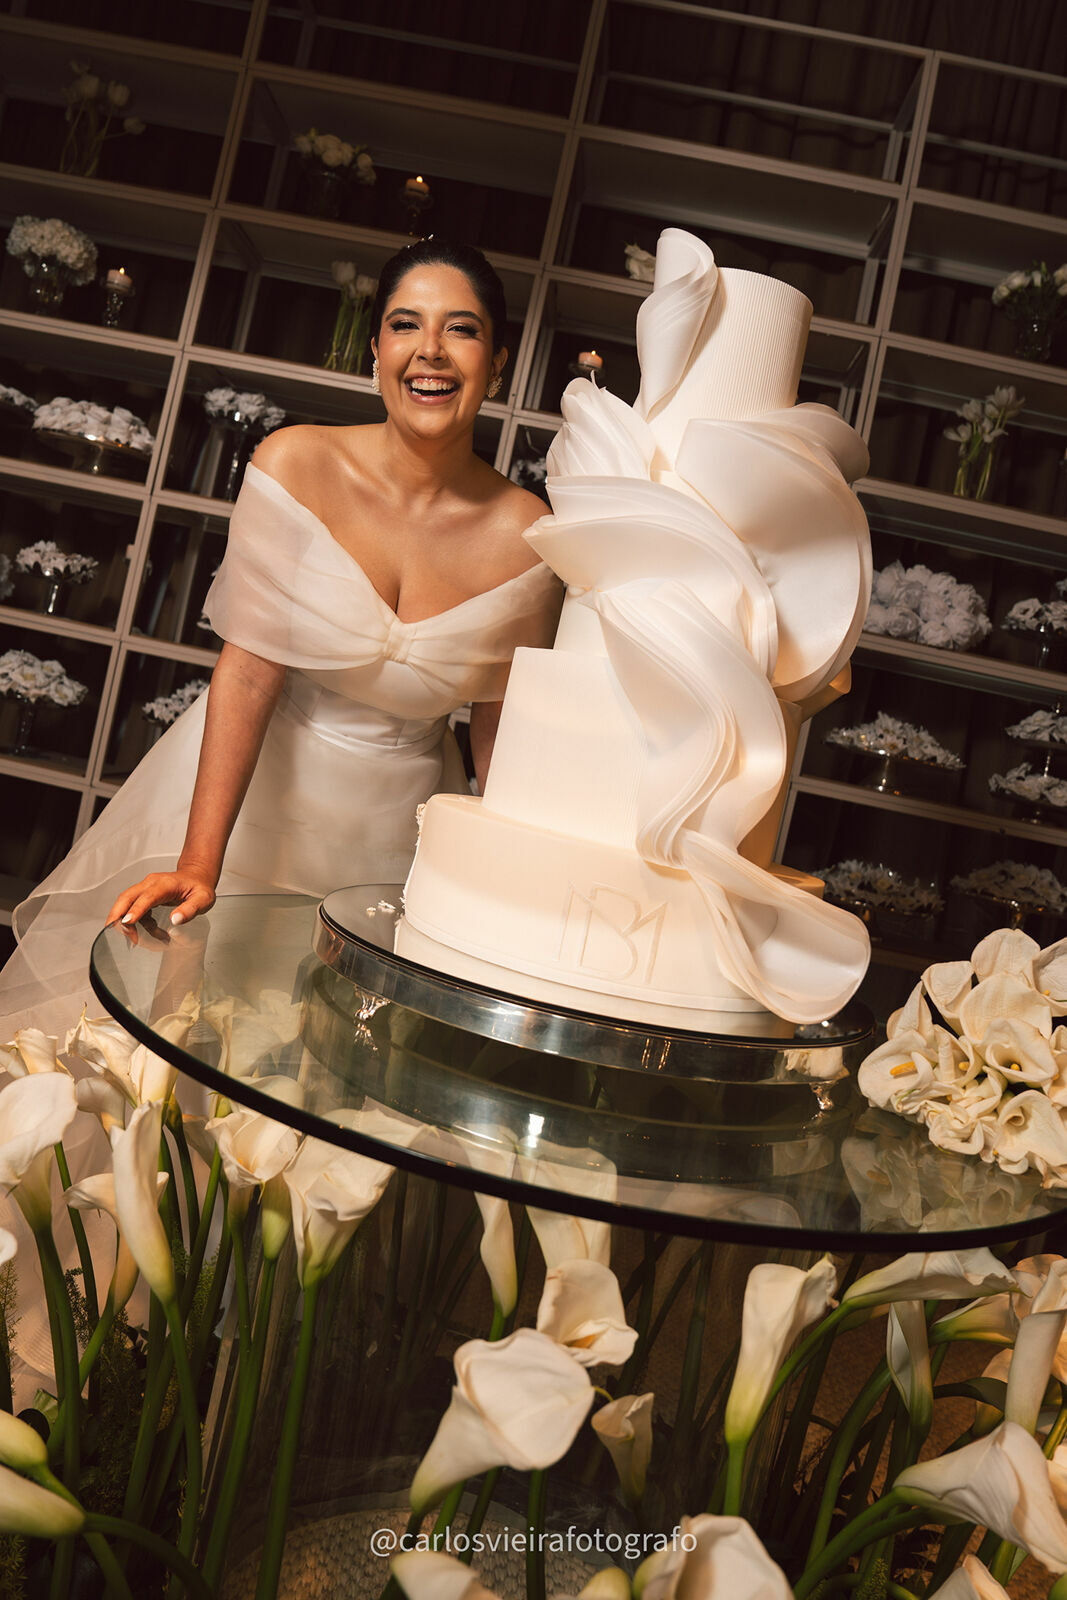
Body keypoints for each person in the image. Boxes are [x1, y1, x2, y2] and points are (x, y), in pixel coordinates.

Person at [0, 238, 563, 1038]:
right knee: (175, 1039)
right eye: (406, 324)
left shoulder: (530, 537)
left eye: (461, 329)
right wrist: (200, 863)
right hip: (246, 803)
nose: (430, 350)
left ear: (496, 363)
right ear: (376, 352)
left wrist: (499, 898)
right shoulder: (295, 463)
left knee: (324, 1060)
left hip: (392, 847)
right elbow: (248, 671)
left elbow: (498, 738)